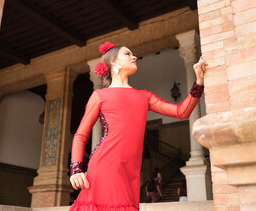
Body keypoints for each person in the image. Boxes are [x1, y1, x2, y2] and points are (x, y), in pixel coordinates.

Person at [68, 41, 207, 211]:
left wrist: (198, 83)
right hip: (106, 165)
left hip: (131, 171)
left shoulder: (144, 96)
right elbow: (80, 135)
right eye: (127, 54)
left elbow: (181, 112)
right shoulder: (99, 96)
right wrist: (76, 168)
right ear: (114, 63)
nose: (134, 56)